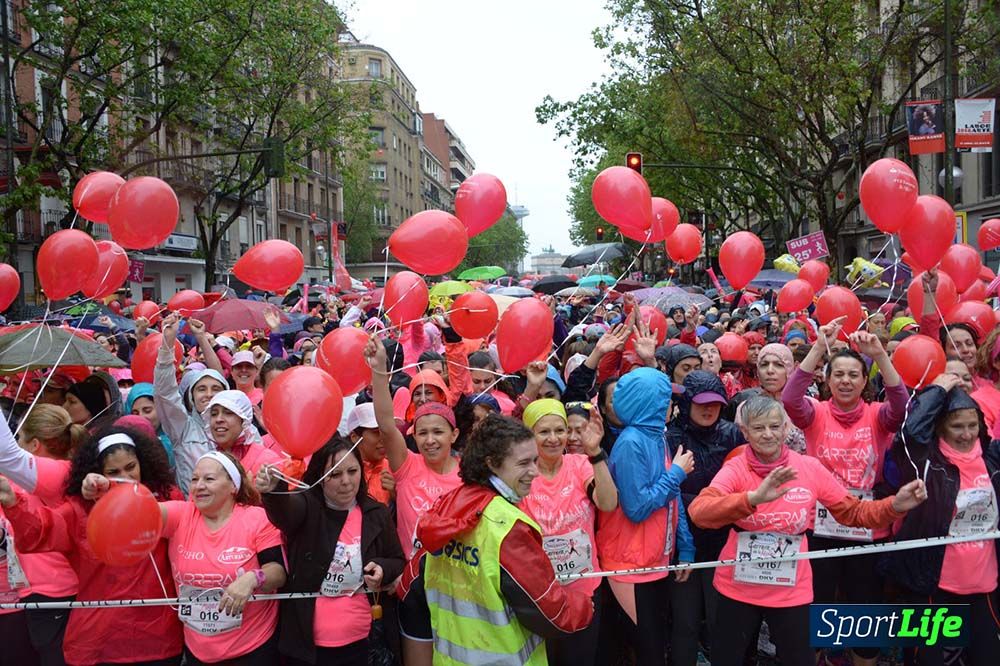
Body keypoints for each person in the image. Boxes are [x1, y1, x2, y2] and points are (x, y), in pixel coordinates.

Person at [689, 395, 926, 666]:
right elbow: (700, 511)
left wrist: (894, 505)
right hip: (738, 587)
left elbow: (853, 512)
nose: (768, 434)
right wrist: (752, 499)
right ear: (744, 432)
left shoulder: (808, 468)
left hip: (791, 589)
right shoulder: (736, 467)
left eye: (774, 426)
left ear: (786, 429)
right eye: (758, 428)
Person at [398, 415, 594, 665]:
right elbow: (553, 615)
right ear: (492, 464)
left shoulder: (447, 505)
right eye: (524, 463)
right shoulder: (507, 527)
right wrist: (584, 606)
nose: (534, 472)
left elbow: (408, 585)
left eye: (535, 460)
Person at [782, 316, 908, 666]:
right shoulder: (815, 413)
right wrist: (819, 347)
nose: (846, 380)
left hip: (867, 524)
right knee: (817, 605)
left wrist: (881, 355)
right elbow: (791, 397)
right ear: (827, 380)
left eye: (854, 374)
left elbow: (901, 404)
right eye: (838, 374)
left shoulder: (878, 415)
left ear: (864, 381)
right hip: (820, 525)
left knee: (863, 609)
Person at [0, 426, 184, 665]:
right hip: (100, 640)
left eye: (131, 467)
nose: (125, 476)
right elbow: (40, 533)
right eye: (113, 471)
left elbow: (182, 518)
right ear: (97, 472)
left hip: (158, 640)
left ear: (142, 462)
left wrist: (115, 491)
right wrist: (14, 504)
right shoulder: (79, 509)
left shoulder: (168, 497)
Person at [81, 450, 285, 664]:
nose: (199, 486)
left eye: (209, 479)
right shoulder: (181, 515)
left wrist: (252, 579)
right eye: (194, 479)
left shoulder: (256, 518)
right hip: (199, 649)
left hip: (251, 645)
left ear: (233, 486)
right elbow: (137, 509)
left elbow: (278, 571)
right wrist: (107, 487)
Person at [879, 373, 1000, 666]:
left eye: (972, 426)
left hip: (984, 585)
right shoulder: (929, 464)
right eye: (957, 426)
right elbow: (910, 434)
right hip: (934, 585)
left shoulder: (992, 459)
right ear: (941, 428)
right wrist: (938, 389)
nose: (966, 434)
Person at [257, 436, 406, 666]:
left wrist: (381, 568)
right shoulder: (307, 507)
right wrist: (273, 490)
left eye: (352, 471)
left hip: (363, 641)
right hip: (309, 647)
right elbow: (285, 511)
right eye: (335, 474)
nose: (346, 481)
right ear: (320, 477)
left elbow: (396, 560)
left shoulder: (376, 513)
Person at [366, 337, 461, 666]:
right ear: (414, 437)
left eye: (438, 432)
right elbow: (385, 425)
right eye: (423, 433)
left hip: (460, 584)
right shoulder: (407, 467)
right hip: (413, 586)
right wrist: (379, 372)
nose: (431, 440)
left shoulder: (468, 476)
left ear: (454, 435)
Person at [599, 367, 694, 666]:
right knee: (648, 650)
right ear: (649, 404)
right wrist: (676, 473)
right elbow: (637, 507)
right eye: (666, 399)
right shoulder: (630, 443)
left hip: (656, 560)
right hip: (630, 565)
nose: (672, 405)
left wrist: (685, 546)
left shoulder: (656, 436)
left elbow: (672, 499)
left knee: (654, 647)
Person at [520, 399, 616, 666]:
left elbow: (607, 503)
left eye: (559, 430)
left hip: (582, 590)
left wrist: (595, 453)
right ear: (530, 435)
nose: (554, 439)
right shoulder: (520, 473)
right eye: (544, 432)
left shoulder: (580, 464)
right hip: (539, 593)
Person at [665, 370, 744, 666]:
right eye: (701, 403)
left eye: (714, 403)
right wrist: (703, 505)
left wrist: (723, 507)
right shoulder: (670, 436)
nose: (709, 409)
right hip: (682, 543)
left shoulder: (732, 433)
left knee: (720, 620)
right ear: (686, 404)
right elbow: (665, 490)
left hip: (724, 542)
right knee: (684, 623)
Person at [0, 405, 84, 666]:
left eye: (20, 439)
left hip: (56, 593)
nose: (17, 444)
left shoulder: (60, 475)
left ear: (34, 444)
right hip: (30, 595)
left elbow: (7, 455)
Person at [156, 313, 231, 494]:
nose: (209, 394)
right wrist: (168, 341)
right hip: (193, 511)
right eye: (201, 389)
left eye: (215, 389)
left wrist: (202, 338)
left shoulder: (242, 429)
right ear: (191, 396)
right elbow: (164, 392)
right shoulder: (182, 429)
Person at [346, 402, 394, 506]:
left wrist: (398, 495)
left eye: (386, 431)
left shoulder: (395, 468)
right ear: (355, 437)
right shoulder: (341, 472)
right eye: (376, 432)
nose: (383, 439)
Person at [126, 382, 176, 468]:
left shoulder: (177, 440)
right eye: (135, 413)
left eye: (147, 410)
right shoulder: (126, 445)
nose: (141, 417)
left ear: (160, 409)